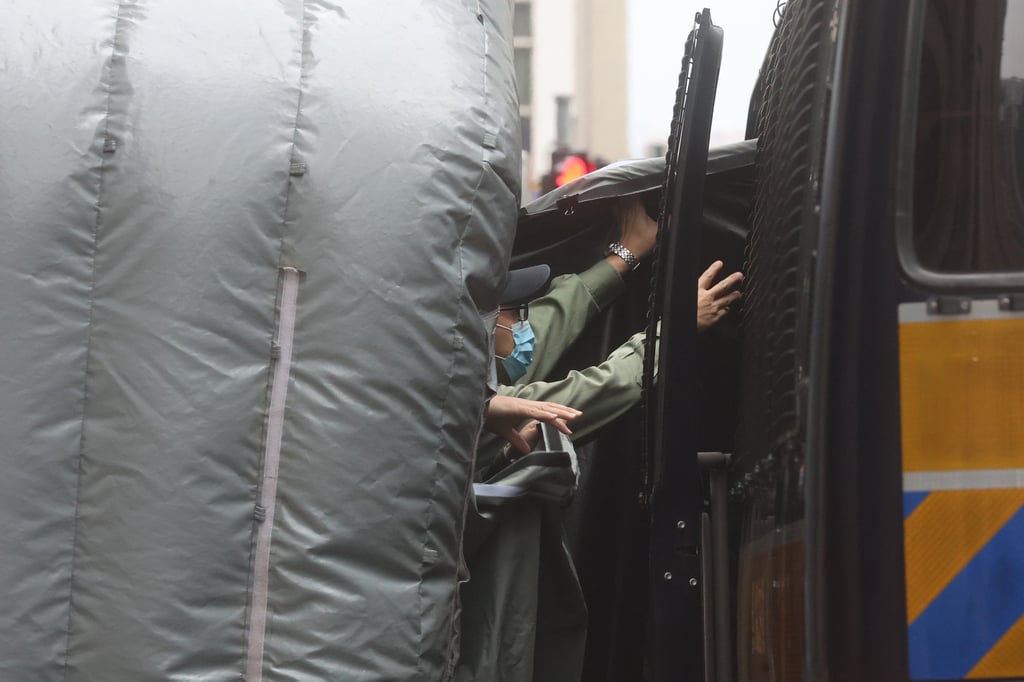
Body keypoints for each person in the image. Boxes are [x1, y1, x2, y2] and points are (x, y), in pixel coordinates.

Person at [482, 196, 743, 465]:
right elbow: (599, 391)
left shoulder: (462, 381)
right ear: (482, 335)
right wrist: (677, 330)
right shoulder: (477, 409)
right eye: (518, 312)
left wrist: (625, 254)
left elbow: (553, 319)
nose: (528, 323)